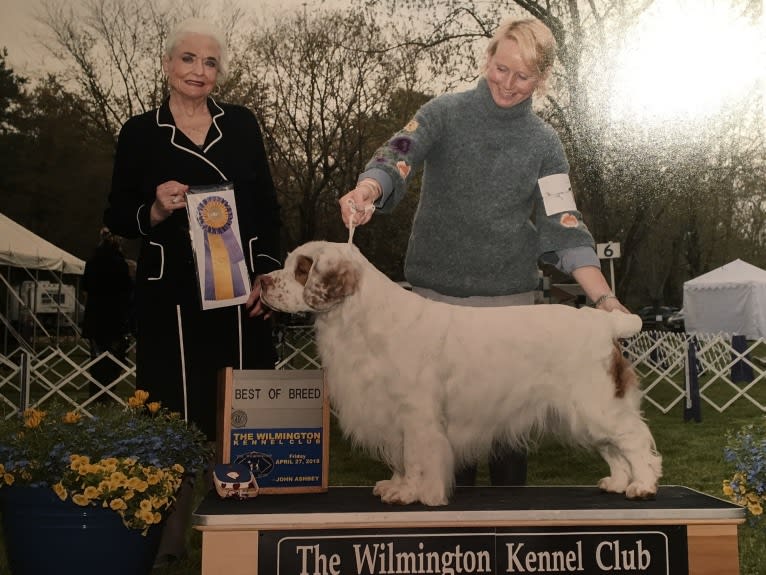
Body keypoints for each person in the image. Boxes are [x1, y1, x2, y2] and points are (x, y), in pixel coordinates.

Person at [338, 17, 628, 488]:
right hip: (432, 306)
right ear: (488, 58)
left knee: (509, 439)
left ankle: (515, 545)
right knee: (440, 439)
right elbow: (398, 153)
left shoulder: (545, 143)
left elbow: (565, 224)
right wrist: (368, 188)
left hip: (507, 311)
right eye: (501, 68)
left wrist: (603, 299)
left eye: (524, 76)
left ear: (541, 80)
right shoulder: (442, 113)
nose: (508, 84)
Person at [103, 17, 281, 563]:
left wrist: (267, 276)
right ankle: (169, 540)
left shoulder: (243, 125)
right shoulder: (139, 131)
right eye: (188, 59)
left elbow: (267, 209)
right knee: (173, 413)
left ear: (219, 73)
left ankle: (245, 536)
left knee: (239, 411)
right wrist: (154, 208)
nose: (198, 71)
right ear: (167, 66)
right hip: (170, 297)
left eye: (209, 63)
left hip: (237, 294)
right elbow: (117, 214)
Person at [81, 227, 133, 402]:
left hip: (95, 320)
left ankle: (96, 395)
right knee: (114, 360)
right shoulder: (120, 264)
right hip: (114, 320)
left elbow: (85, 289)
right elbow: (127, 293)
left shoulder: (91, 261)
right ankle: (108, 394)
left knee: (96, 359)